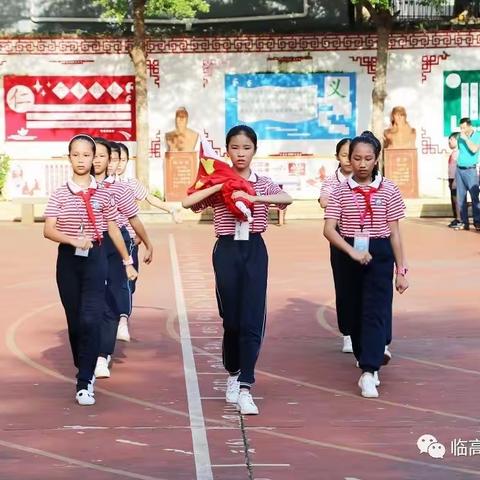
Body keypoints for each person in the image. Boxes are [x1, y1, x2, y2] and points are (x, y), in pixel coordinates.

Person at [182, 125, 292, 415]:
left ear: (255, 150)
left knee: (252, 317)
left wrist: (256, 198)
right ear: (226, 151)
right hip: (227, 250)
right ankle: (233, 372)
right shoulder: (219, 178)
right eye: (235, 148)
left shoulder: (262, 182)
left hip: (254, 249)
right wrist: (222, 186)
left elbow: (286, 198)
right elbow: (187, 202)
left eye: (246, 148)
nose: (241, 154)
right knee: (232, 320)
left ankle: (246, 384)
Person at [43, 134, 137, 406]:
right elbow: (48, 229)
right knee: (75, 322)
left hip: (96, 258)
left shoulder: (104, 193)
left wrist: (126, 260)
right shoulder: (60, 193)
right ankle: (83, 362)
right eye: (76, 155)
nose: (82, 159)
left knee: (91, 318)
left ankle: (85, 381)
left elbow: (112, 227)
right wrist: (73, 240)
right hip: (69, 261)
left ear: (94, 158)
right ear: (69, 157)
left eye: (87, 155)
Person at [323, 131, 408, 399]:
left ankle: (369, 371)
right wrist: (351, 252)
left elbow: (394, 233)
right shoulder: (338, 190)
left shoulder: (390, 189)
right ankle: (365, 357)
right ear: (348, 159)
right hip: (349, 251)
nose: (361, 163)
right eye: (356, 158)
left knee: (375, 309)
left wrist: (401, 270)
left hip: (379, 252)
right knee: (352, 311)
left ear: (376, 159)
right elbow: (329, 229)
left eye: (367, 158)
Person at [91, 138, 153, 378]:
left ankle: (102, 356)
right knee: (88, 304)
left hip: (116, 246)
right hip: (86, 249)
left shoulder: (120, 188)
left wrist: (147, 242)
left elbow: (133, 218)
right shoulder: (76, 188)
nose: (95, 160)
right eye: (91, 154)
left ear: (110, 160)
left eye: (101, 155)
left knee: (111, 300)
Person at [115, 142, 181, 341]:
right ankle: (120, 319)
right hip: (111, 240)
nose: (118, 164)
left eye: (122, 160)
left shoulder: (131, 184)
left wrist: (171, 209)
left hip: (131, 241)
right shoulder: (102, 183)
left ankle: (122, 315)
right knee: (114, 282)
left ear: (128, 161)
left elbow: (151, 199)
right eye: (114, 159)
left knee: (130, 284)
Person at [319, 138, 354, 353]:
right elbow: (324, 200)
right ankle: (348, 333)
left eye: (352, 155)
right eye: (344, 155)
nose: (349, 160)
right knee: (343, 286)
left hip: (363, 237)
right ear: (337, 158)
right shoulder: (332, 181)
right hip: (339, 238)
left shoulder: (367, 179)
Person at [455, 117, 480, 230]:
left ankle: (477, 221)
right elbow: (459, 150)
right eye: (460, 128)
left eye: (464, 127)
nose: (462, 130)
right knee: (461, 197)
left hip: (471, 170)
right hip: (459, 169)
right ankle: (464, 222)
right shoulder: (460, 137)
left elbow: (474, 149)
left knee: (474, 196)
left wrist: (465, 139)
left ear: (469, 126)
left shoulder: (477, 135)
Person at [447, 132, 463, 228]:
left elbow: (459, 168)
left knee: (457, 200)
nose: (449, 141)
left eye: (452, 139)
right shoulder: (453, 153)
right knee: (453, 200)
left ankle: (460, 219)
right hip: (451, 179)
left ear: (458, 141)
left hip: (456, 179)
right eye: (449, 139)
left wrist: (456, 180)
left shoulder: (459, 153)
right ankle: (457, 218)